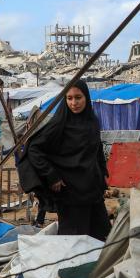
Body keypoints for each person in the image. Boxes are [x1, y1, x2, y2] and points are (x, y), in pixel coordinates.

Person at [24, 80, 111, 241]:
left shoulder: (92, 122)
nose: (74, 103)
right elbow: (34, 149)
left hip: (92, 190)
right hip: (70, 193)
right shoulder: (59, 124)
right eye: (69, 98)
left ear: (86, 98)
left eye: (78, 97)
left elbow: (96, 149)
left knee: (101, 236)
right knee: (73, 240)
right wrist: (51, 175)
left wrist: (102, 172)